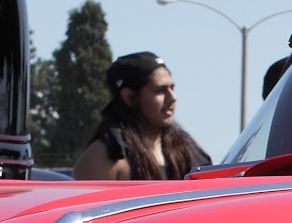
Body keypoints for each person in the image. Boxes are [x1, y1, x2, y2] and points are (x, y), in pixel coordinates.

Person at [73, 52, 212, 181]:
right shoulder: (104, 157)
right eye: (160, 90)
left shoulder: (189, 153)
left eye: (172, 88)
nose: (172, 97)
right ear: (129, 97)